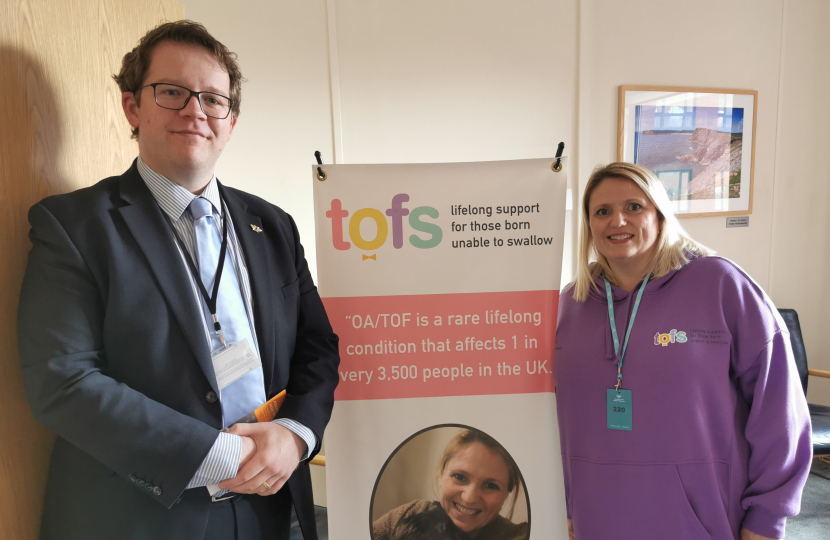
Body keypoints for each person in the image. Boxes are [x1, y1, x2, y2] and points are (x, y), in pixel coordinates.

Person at [16, 20, 339, 540]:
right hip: (139, 517)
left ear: (231, 121)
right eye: (172, 92)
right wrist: (227, 456)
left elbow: (318, 347)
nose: (195, 111)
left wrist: (295, 435)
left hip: (270, 509)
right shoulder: (73, 227)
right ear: (132, 107)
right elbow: (65, 381)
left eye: (213, 99)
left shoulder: (272, 225)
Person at [553, 162, 811, 540]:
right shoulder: (569, 305)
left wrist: (768, 516)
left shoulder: (720, 284)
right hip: (595, 516)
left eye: (634, 207)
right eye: (602, 211)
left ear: (659, 214)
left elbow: (777, 405)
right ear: (588, 225)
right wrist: (560, 502)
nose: (617, 220)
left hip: (699, 519)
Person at [372, 429, 528, 540]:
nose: (469, 498)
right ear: (442, 475)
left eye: (491, 485)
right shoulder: (408, 515)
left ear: (507, 492)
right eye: (459, 477)